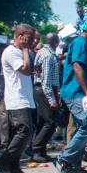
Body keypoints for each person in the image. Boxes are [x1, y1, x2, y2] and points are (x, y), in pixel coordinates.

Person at [55, 18, 87, 173]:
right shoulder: (81, 42)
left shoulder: (83, 44)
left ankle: (74, 164)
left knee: (84, 127)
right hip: (76, 92)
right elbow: (76, 67)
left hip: (77, 91)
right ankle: (64, 159)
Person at [0, 24, 36, 173]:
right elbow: (24, 70)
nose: (32, 41)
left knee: (21, 133)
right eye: (29, 38)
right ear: (20, 36)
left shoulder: (19, 52)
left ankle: (14, 166)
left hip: (25, 97)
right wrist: (25, 50)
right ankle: (3, 161)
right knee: (24, 131)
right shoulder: (11, 52)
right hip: (16, 98)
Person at [30, 33, 61, 162]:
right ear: (56, 42)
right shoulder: (47, 56)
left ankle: (41, 151)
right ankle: (36, 149)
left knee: (43, 121)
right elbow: (46, 80)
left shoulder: (43, 52)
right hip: (44, 90)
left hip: (42, 89)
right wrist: (52, 99)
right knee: (50, 121)